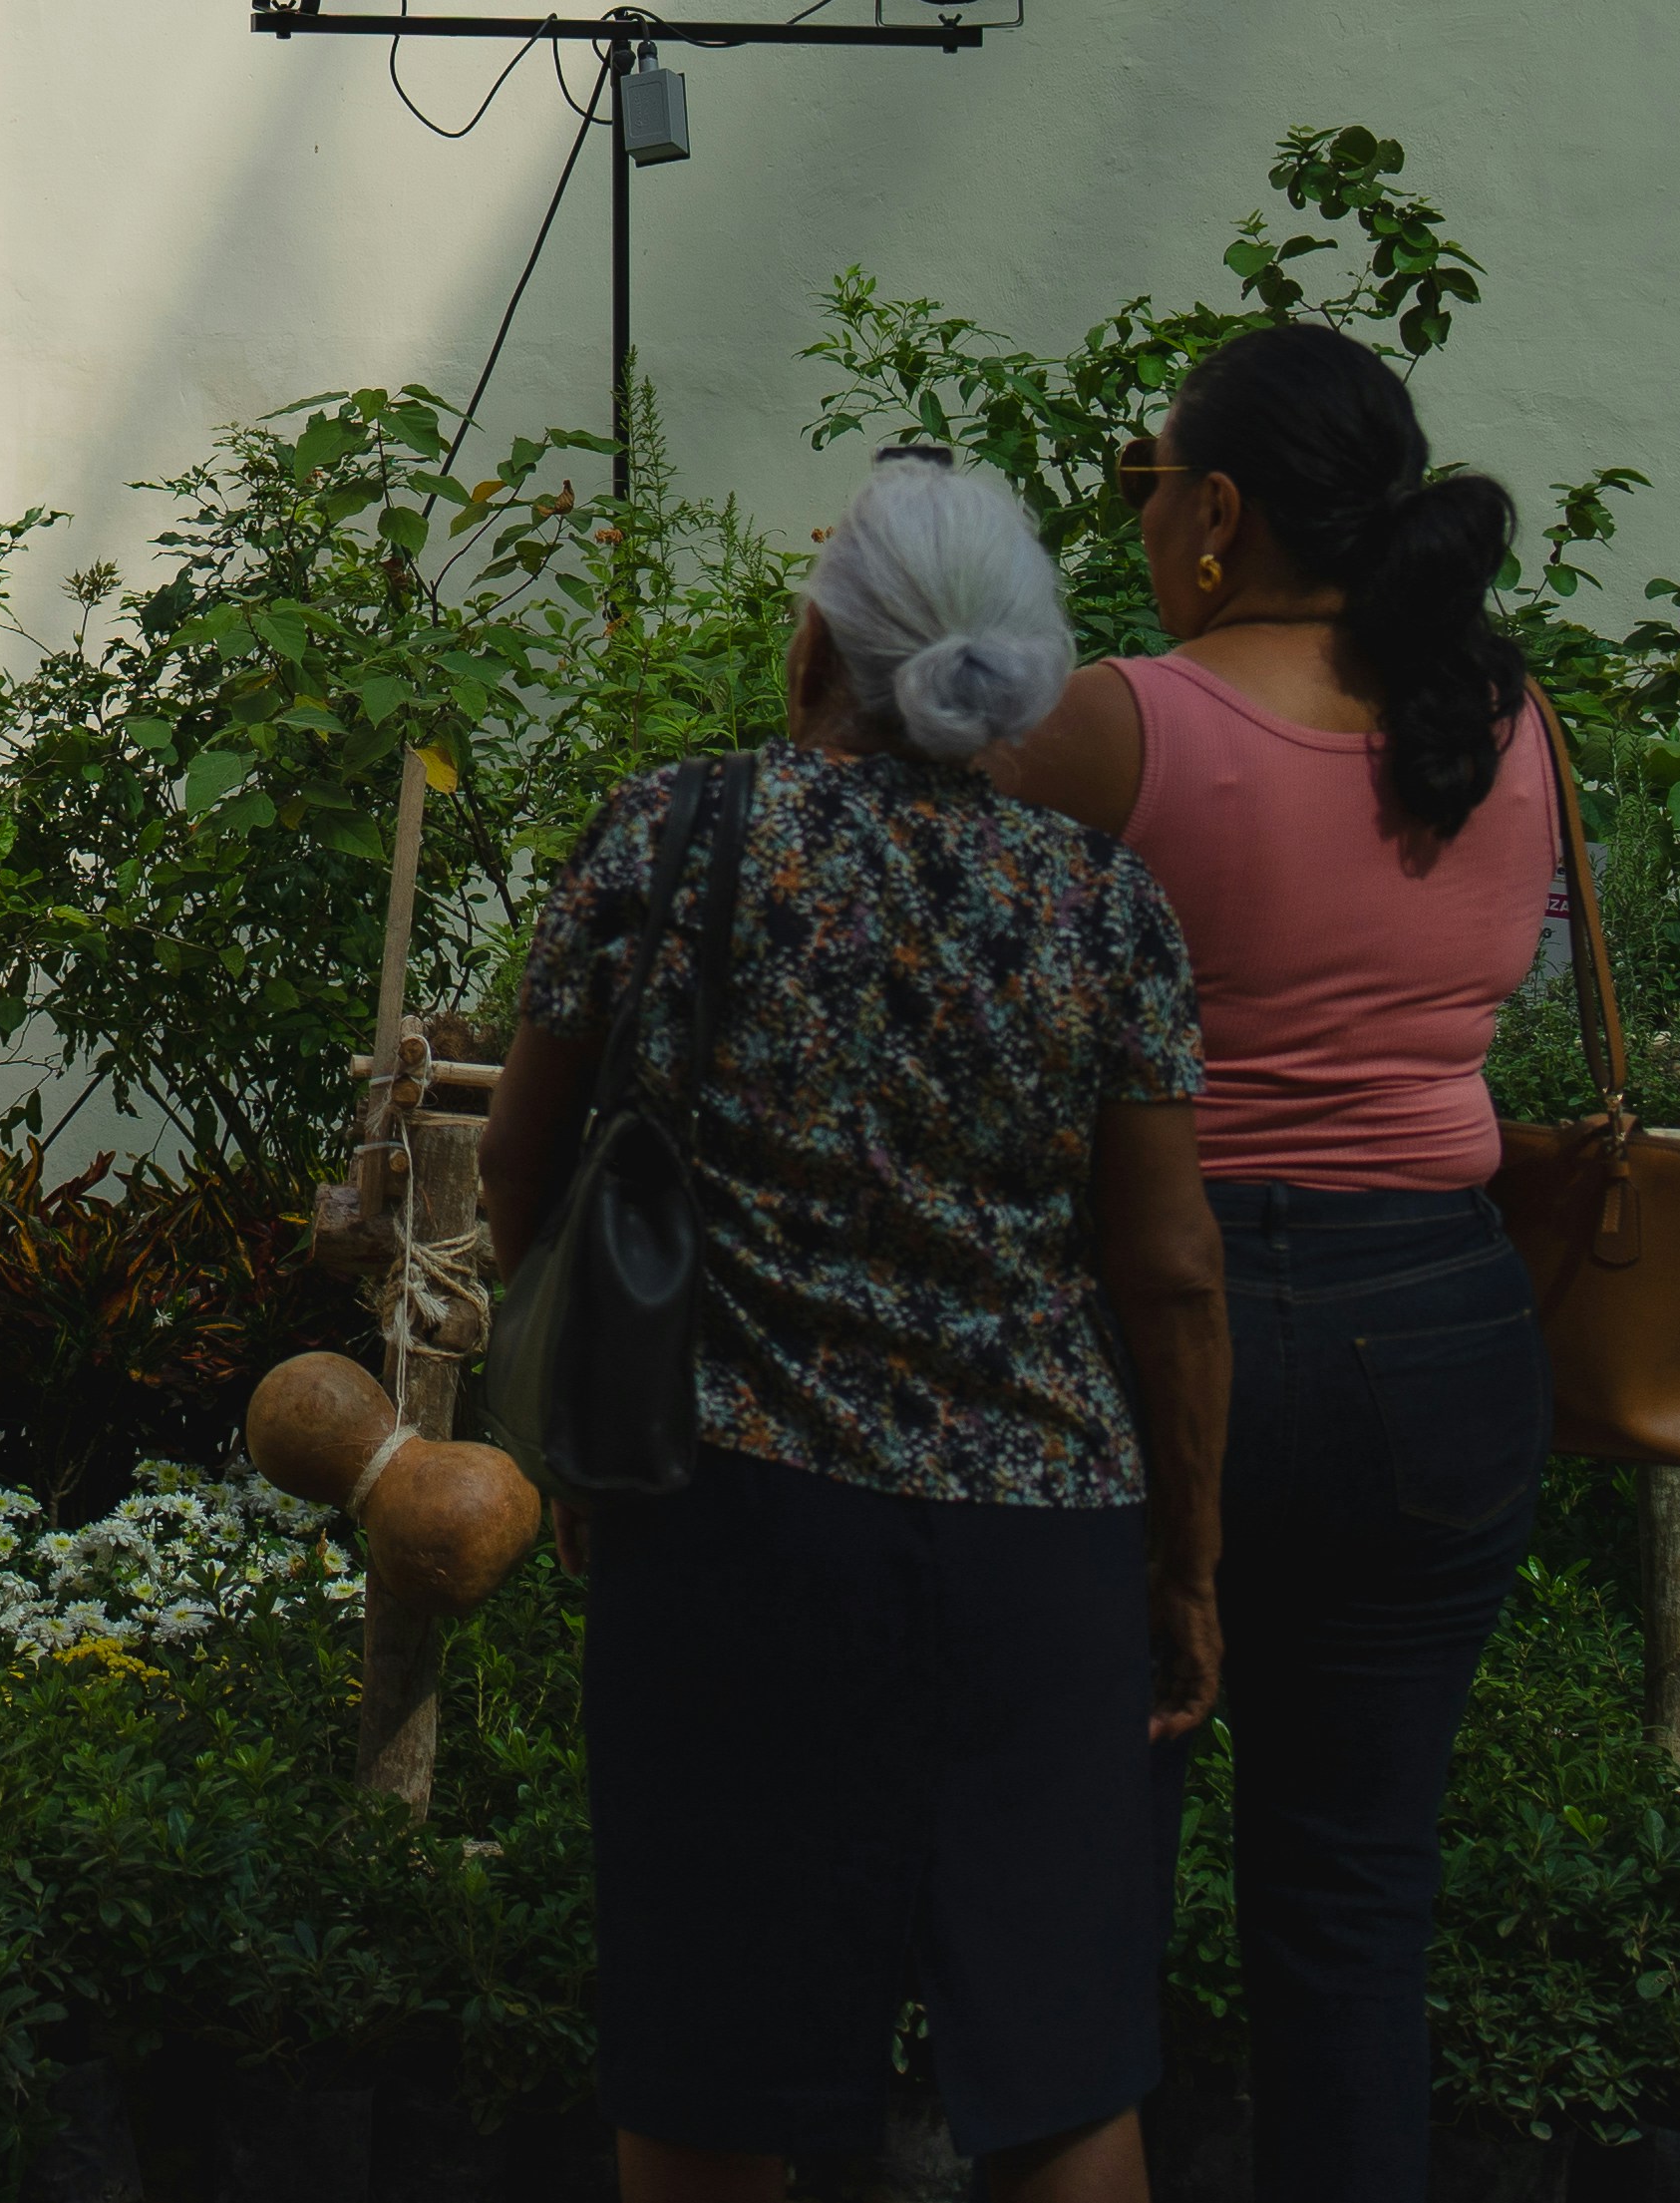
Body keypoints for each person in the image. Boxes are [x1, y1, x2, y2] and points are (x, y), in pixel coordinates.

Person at [484, 455, 1227, 2203]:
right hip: (1040, 1539)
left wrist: (582, 1418)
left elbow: (525, 1154)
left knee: (718, 2068)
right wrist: (1186, 1566)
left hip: (732, 1510)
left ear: (813, 642)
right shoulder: (1101, 904)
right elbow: (1168, 1265)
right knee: (1058, 2074)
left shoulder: (672, 831)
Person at [978, 321, 1562, 2203]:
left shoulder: (1115, 722)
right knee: (1355, 1906)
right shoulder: (1500, 715)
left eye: (1150, 480)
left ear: (1216, 509)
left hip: (1146, 1326)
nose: (1142, 515)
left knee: (1075, 1906)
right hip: (1443, 1337)